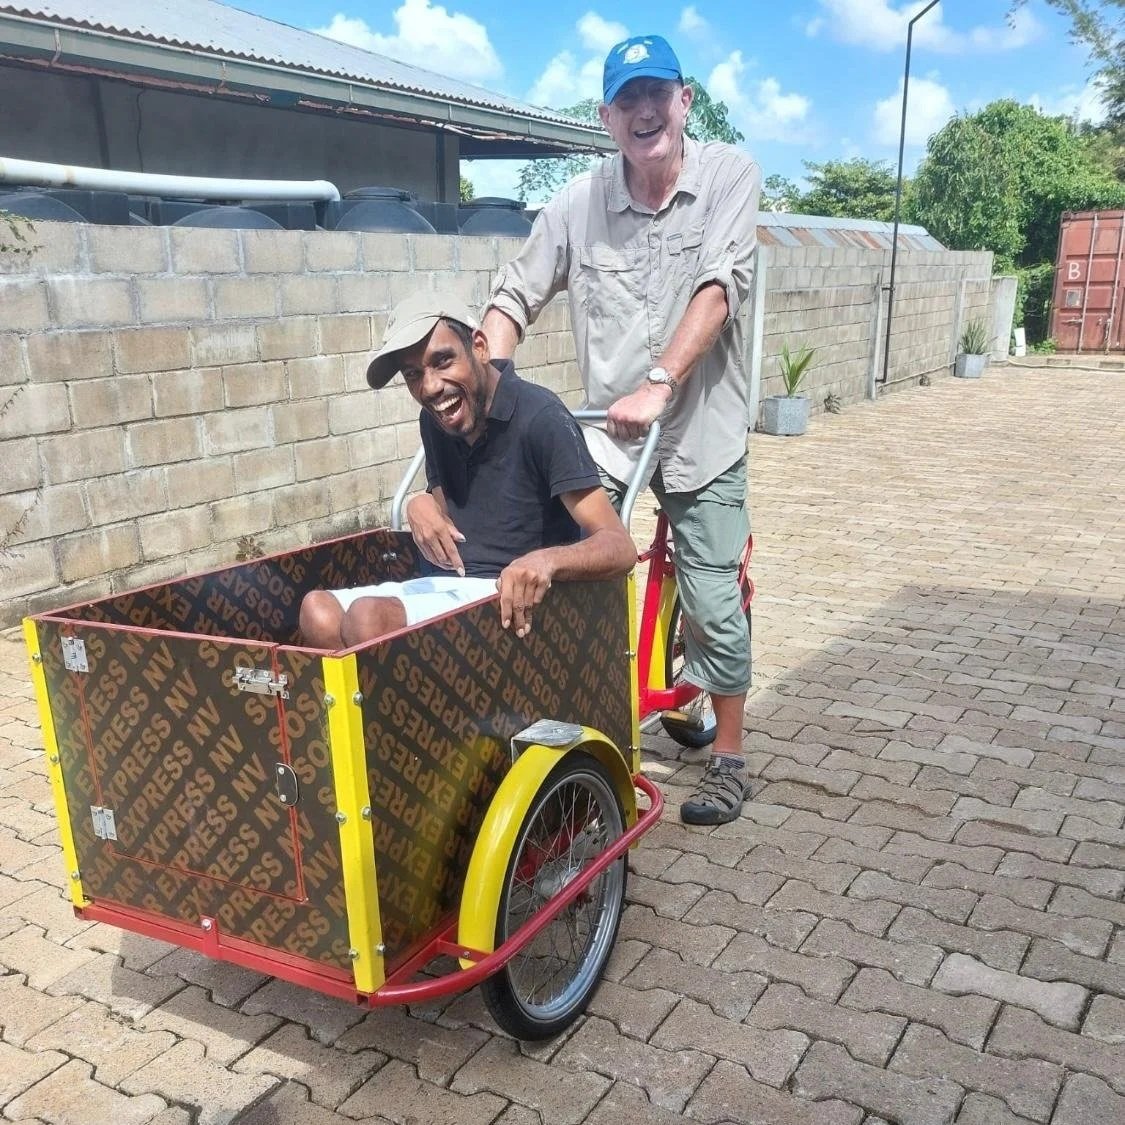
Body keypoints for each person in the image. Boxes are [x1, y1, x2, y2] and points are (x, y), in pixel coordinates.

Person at [482, 34, 761, 826]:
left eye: (656, 94)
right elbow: (513, 296)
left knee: (710, 596)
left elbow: (716, 290)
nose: (644, 111)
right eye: (625, 99)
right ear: (606, 117)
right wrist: (493, 379)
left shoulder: (728, 177)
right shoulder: (577, 201)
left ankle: (731, 759)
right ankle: (570, 722)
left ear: (684, 101)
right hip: (607, 437)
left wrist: (660, 381)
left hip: (698, 429)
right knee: (561, 561)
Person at [299, 291, 636, 650]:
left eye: (442, 361)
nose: (430, 387)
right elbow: (450, 519)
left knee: (367, 619)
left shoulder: (541, 418)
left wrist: (547, 560)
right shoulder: (437, 422)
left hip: (513, 601)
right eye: (413, 374)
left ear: (479, 346)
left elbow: (619, 547)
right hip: (452, 586)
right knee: (316, 610)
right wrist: (421, 504)